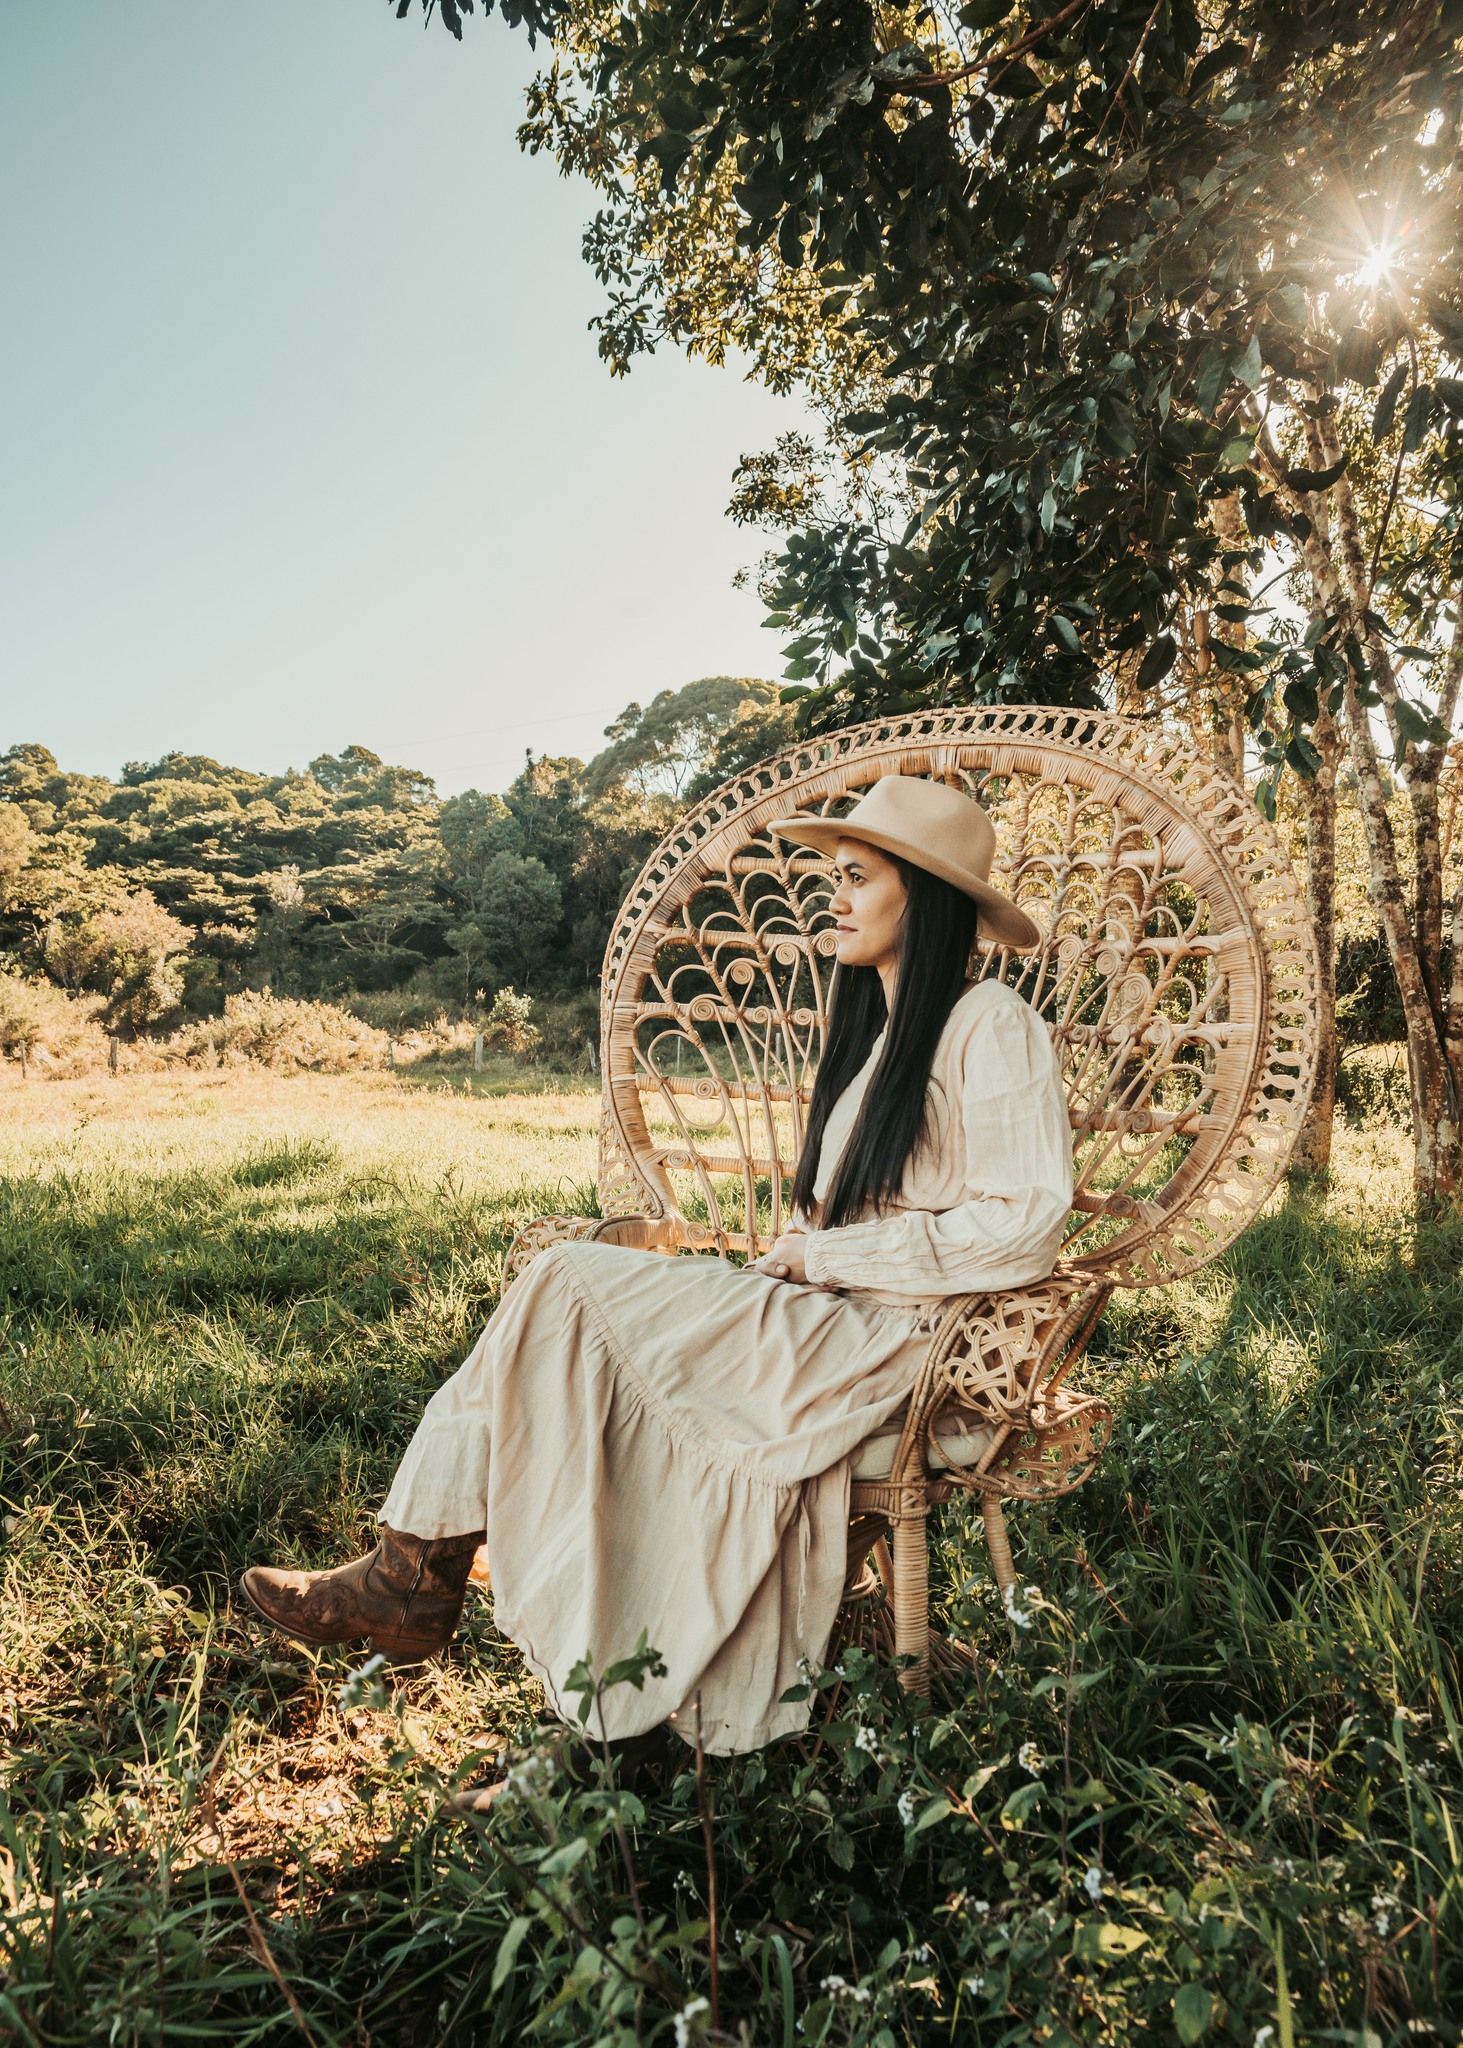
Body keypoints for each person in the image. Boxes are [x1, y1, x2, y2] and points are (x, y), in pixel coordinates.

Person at [239, 775, 1074, 1757]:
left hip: (895, 1342)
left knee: (564, 1280)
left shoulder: (990, 1024)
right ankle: (418, 1576)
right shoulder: (876, 1036)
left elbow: (1025, 1225)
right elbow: (837, 1220)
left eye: (855, 877)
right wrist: (797, 1256)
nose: (832, 898)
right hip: (827, 1313)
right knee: (567, 1287)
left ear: (922, 898)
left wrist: (828, 1252)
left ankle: (412, 1574)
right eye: (831, 877)